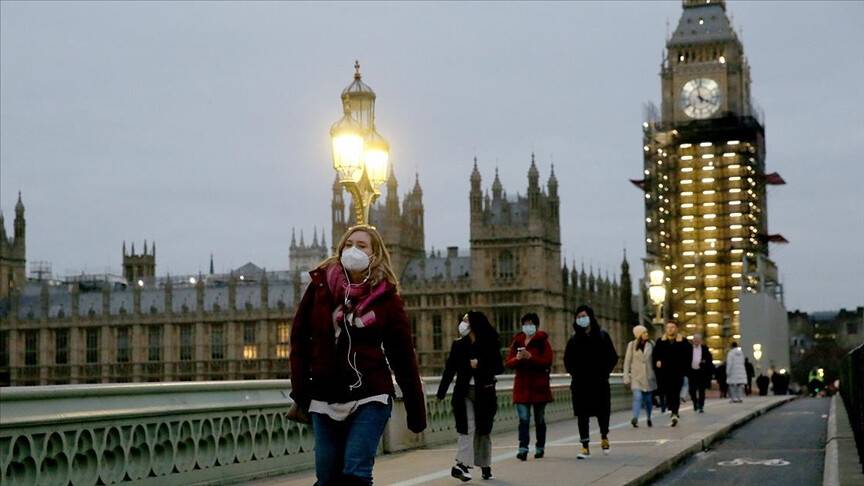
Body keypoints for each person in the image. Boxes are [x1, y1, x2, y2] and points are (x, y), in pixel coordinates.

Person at [289, 225, 426, 486]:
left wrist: (415, 407)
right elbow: (299, 340)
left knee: (356, 473)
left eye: (362, 246)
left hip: (370, 394)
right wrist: (301, 389)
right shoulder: (319, 289)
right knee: (327, 477)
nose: (354, 250)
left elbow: (403, 355)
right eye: (349, 244)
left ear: (375, 255)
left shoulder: (386, 298)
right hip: (324, 395)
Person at [437, 311, 504, 482]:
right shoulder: (458, 345)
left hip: (485, 392)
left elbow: (499, 367)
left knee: (483, 430)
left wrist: (480, 365)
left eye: (466, 321)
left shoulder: (489, 344)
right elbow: (450, 369)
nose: (462, 324)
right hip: (464, 392)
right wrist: (441, 392)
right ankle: (462, 465)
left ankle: (485, 464)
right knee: (467, 427)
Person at [564, 305, 618, 459]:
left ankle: (604, 436)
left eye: (584, 316)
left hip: (599, 381)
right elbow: (567, 360)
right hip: (580, 383)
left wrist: (604, 372)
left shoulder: (602, 336)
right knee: (582, 415)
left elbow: (613, 357)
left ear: (591, 317)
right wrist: (575, 373)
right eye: (579, 316)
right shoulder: (574, 339)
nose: (581, 319)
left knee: (602, 412)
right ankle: (585, 446)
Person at [505, 312, 553, 461]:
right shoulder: (517, 342)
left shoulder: (542, 341)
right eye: (525, 324)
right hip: (522, 386)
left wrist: (531, 357)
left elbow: (548, 361)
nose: (528, 326)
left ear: (536, 326)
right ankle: (523, 448)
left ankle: (540, 447)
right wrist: (518, 358)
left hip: (539, 386)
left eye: (531, 324)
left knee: (539, 419)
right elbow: (508, 363)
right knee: (524, 419)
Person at [652, 321, 691, 426]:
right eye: (668, 327)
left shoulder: (683, 342)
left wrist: (685, 369)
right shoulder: (660, 341)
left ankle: (674, 412)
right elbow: (655, 355)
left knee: (676, 392)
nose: (670, 329)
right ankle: (672, 410)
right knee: (668, 392)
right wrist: (657, 361)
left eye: (672, 327)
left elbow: (688, 356)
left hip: (678, 372)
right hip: (665, 373)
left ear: (676, 329)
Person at [623, 325, 657, 428]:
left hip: (649, 376)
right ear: (638, 334)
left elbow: (656, 359)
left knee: (648, 400)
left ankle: (649, 417)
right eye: (644, 333)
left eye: (646, 332)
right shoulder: (632, 345)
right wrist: (626, 376)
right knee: (637, 397)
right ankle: (635, 418)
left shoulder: (651, 344)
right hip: (636, 376)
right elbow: (627, 361)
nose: (646, 334)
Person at [687, 334, 714, 413]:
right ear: (693, 340)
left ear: (701, 341)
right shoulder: (689, 349)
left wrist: (704, 362)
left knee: (701, 390)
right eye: (695, 339)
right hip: (692, 372)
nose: (696, 341)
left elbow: (709, 360)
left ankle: (701, 405)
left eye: (698, 339)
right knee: (692, 390)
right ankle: (695, 402)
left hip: (701, 372)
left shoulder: (705, 349)